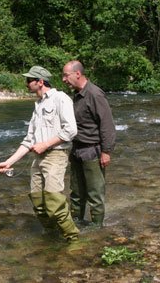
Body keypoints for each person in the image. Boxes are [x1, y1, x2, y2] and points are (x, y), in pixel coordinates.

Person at [0, 65, 80, 243]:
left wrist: (46, 144)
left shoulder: (60, 98)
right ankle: (52, 236)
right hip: (38, 159)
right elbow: (29, 140)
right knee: (38, 204)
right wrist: (8, 163)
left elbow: (71, 130)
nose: (26, 84)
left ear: (40, 82)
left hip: (56, 155)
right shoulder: (38, 106)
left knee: (54, 202)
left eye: (29, 80)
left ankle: (74, 239)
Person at [62, 60, 116, 228]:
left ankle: (96, 229)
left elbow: (107, 125)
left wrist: (106, 152)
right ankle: (76, 223)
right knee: (76, 193)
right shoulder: (76, 94)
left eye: (66, 75)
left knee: (95, 194)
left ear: (77, 74)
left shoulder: (95, 94)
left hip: (92, 151)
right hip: (77, 150)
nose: (64, 79)